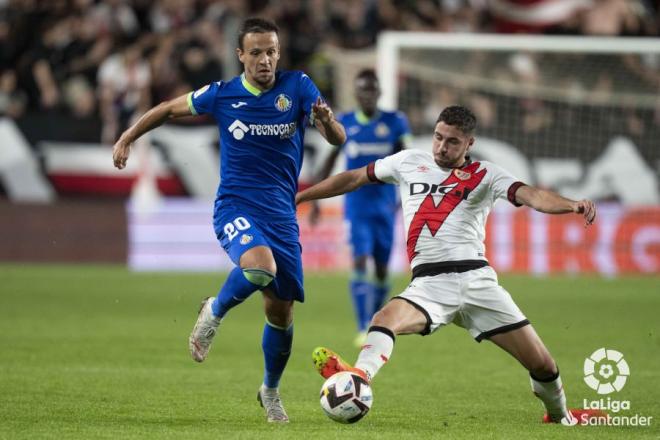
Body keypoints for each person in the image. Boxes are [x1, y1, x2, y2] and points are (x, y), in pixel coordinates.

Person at [296, 105, 601, 425]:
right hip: (429, 284)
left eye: (452, 141)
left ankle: (560, 416)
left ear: (469, 143)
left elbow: (533, 196)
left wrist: (571, 204)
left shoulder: (487, 174)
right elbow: (355, 177)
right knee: (384, 318)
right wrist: (304, 196)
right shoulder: (409, 162)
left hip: (477, 282)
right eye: (438, 137)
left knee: (543, 366)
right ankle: (359, 377)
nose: (442, 147)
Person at [112, 17, 346, 423]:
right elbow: (168, 109)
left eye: (271, 51)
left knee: (281, 313)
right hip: (236, 206)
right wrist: (129, 135)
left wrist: (327, 123)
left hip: (282, 216)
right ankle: (214, 311)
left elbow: (338, 137)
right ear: (240, 55)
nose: (265, 60)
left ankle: (270, 390)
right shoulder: (222, 95)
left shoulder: (298, 87)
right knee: (259, 266)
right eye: (255, 52)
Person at [310, 68, 411, 346]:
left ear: (379, 92)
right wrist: (317, 199)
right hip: (356, 205)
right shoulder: (345, 123)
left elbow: (408, 162)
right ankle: (361, 325)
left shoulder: (395, 122)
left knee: (380, 268)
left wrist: (409, 197)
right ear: (356, 93)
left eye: (371, 89)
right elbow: (330, 161)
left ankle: (375, 319)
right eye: (362, 89)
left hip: (386, 206)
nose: (367, 94)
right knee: (359, 259)